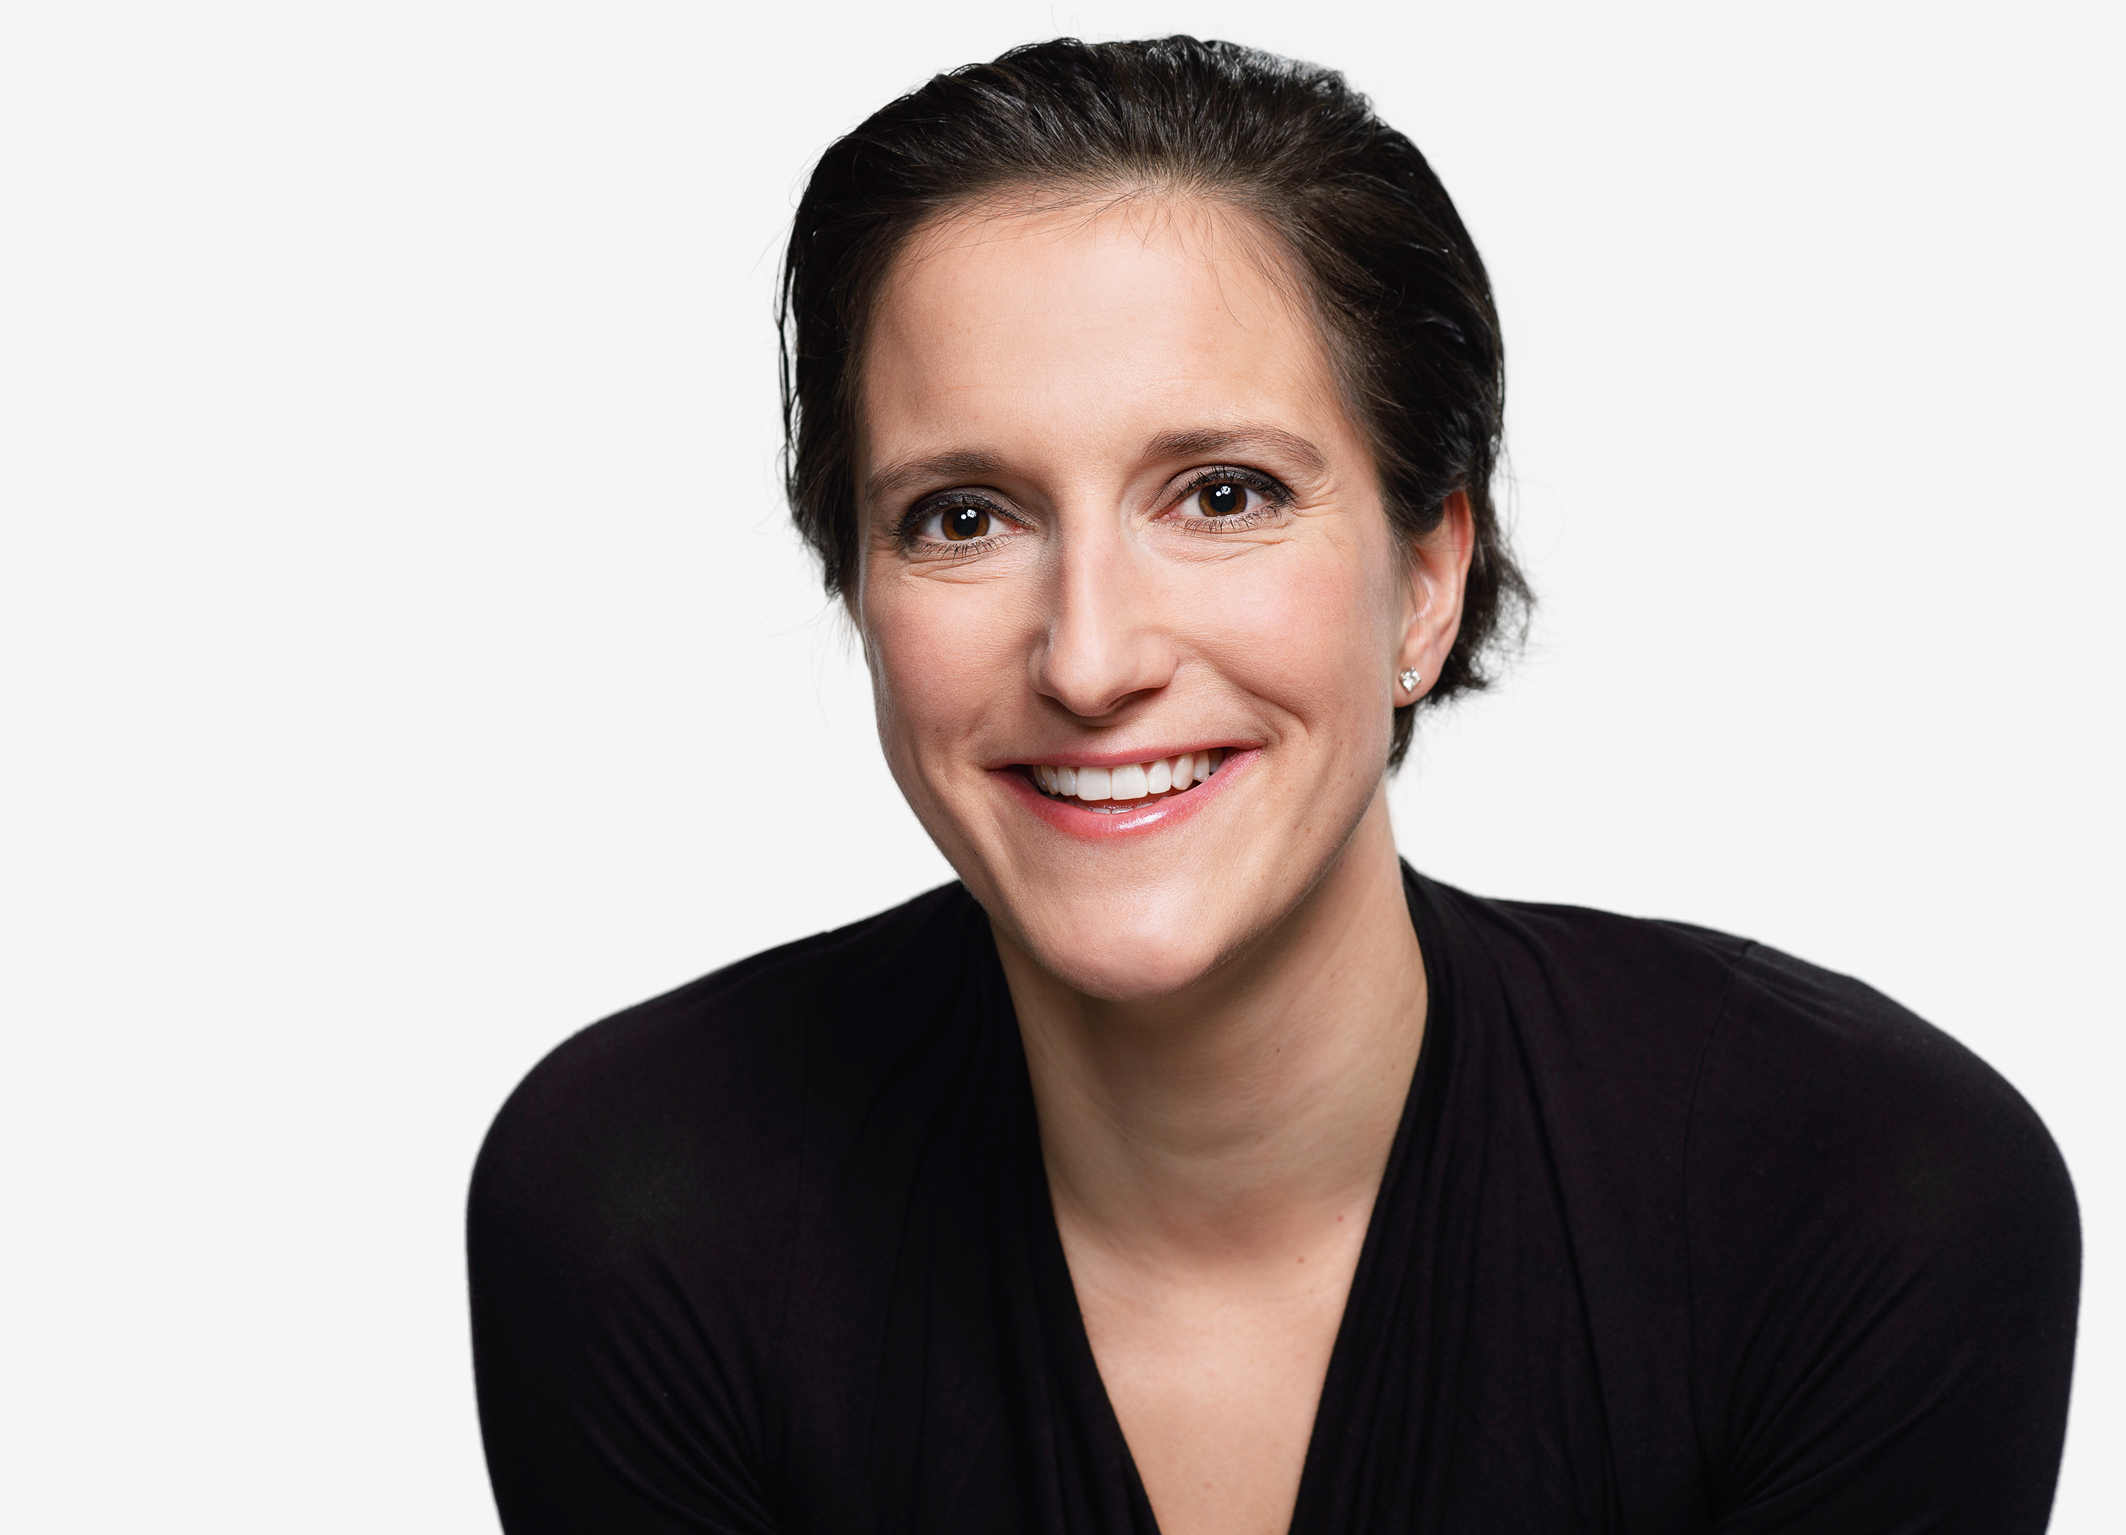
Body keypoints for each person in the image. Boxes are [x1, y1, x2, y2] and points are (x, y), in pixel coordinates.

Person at [466, 36, 2078, 1535]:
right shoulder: (641, 1200)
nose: (1088, 657)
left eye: (1221, 495)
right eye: (963, 516)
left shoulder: (1861, 1196)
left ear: (1428, 580)